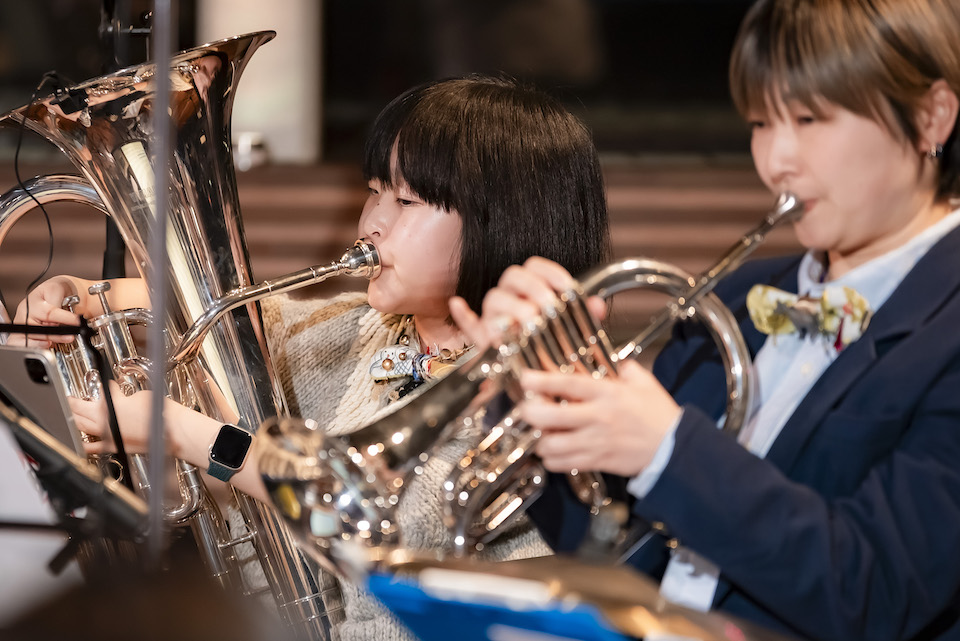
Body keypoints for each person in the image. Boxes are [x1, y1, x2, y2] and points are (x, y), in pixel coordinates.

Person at [12, 74, 610, 641]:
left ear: (499, 225)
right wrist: (86, 297)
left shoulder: (542, 383)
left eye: (405, 201)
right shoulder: (371, 328)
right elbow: (241, 322)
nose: (372, 222)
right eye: (374, 193)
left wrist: (177, 430)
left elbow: (383, 521)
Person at [451, 1, 960, 640]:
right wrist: (547, 396)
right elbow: (616, 545)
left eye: (809, 119)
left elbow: (879, 590)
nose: (776, 160)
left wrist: (667, 448)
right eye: (759, 123)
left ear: (930, 116)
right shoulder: (738, 297)